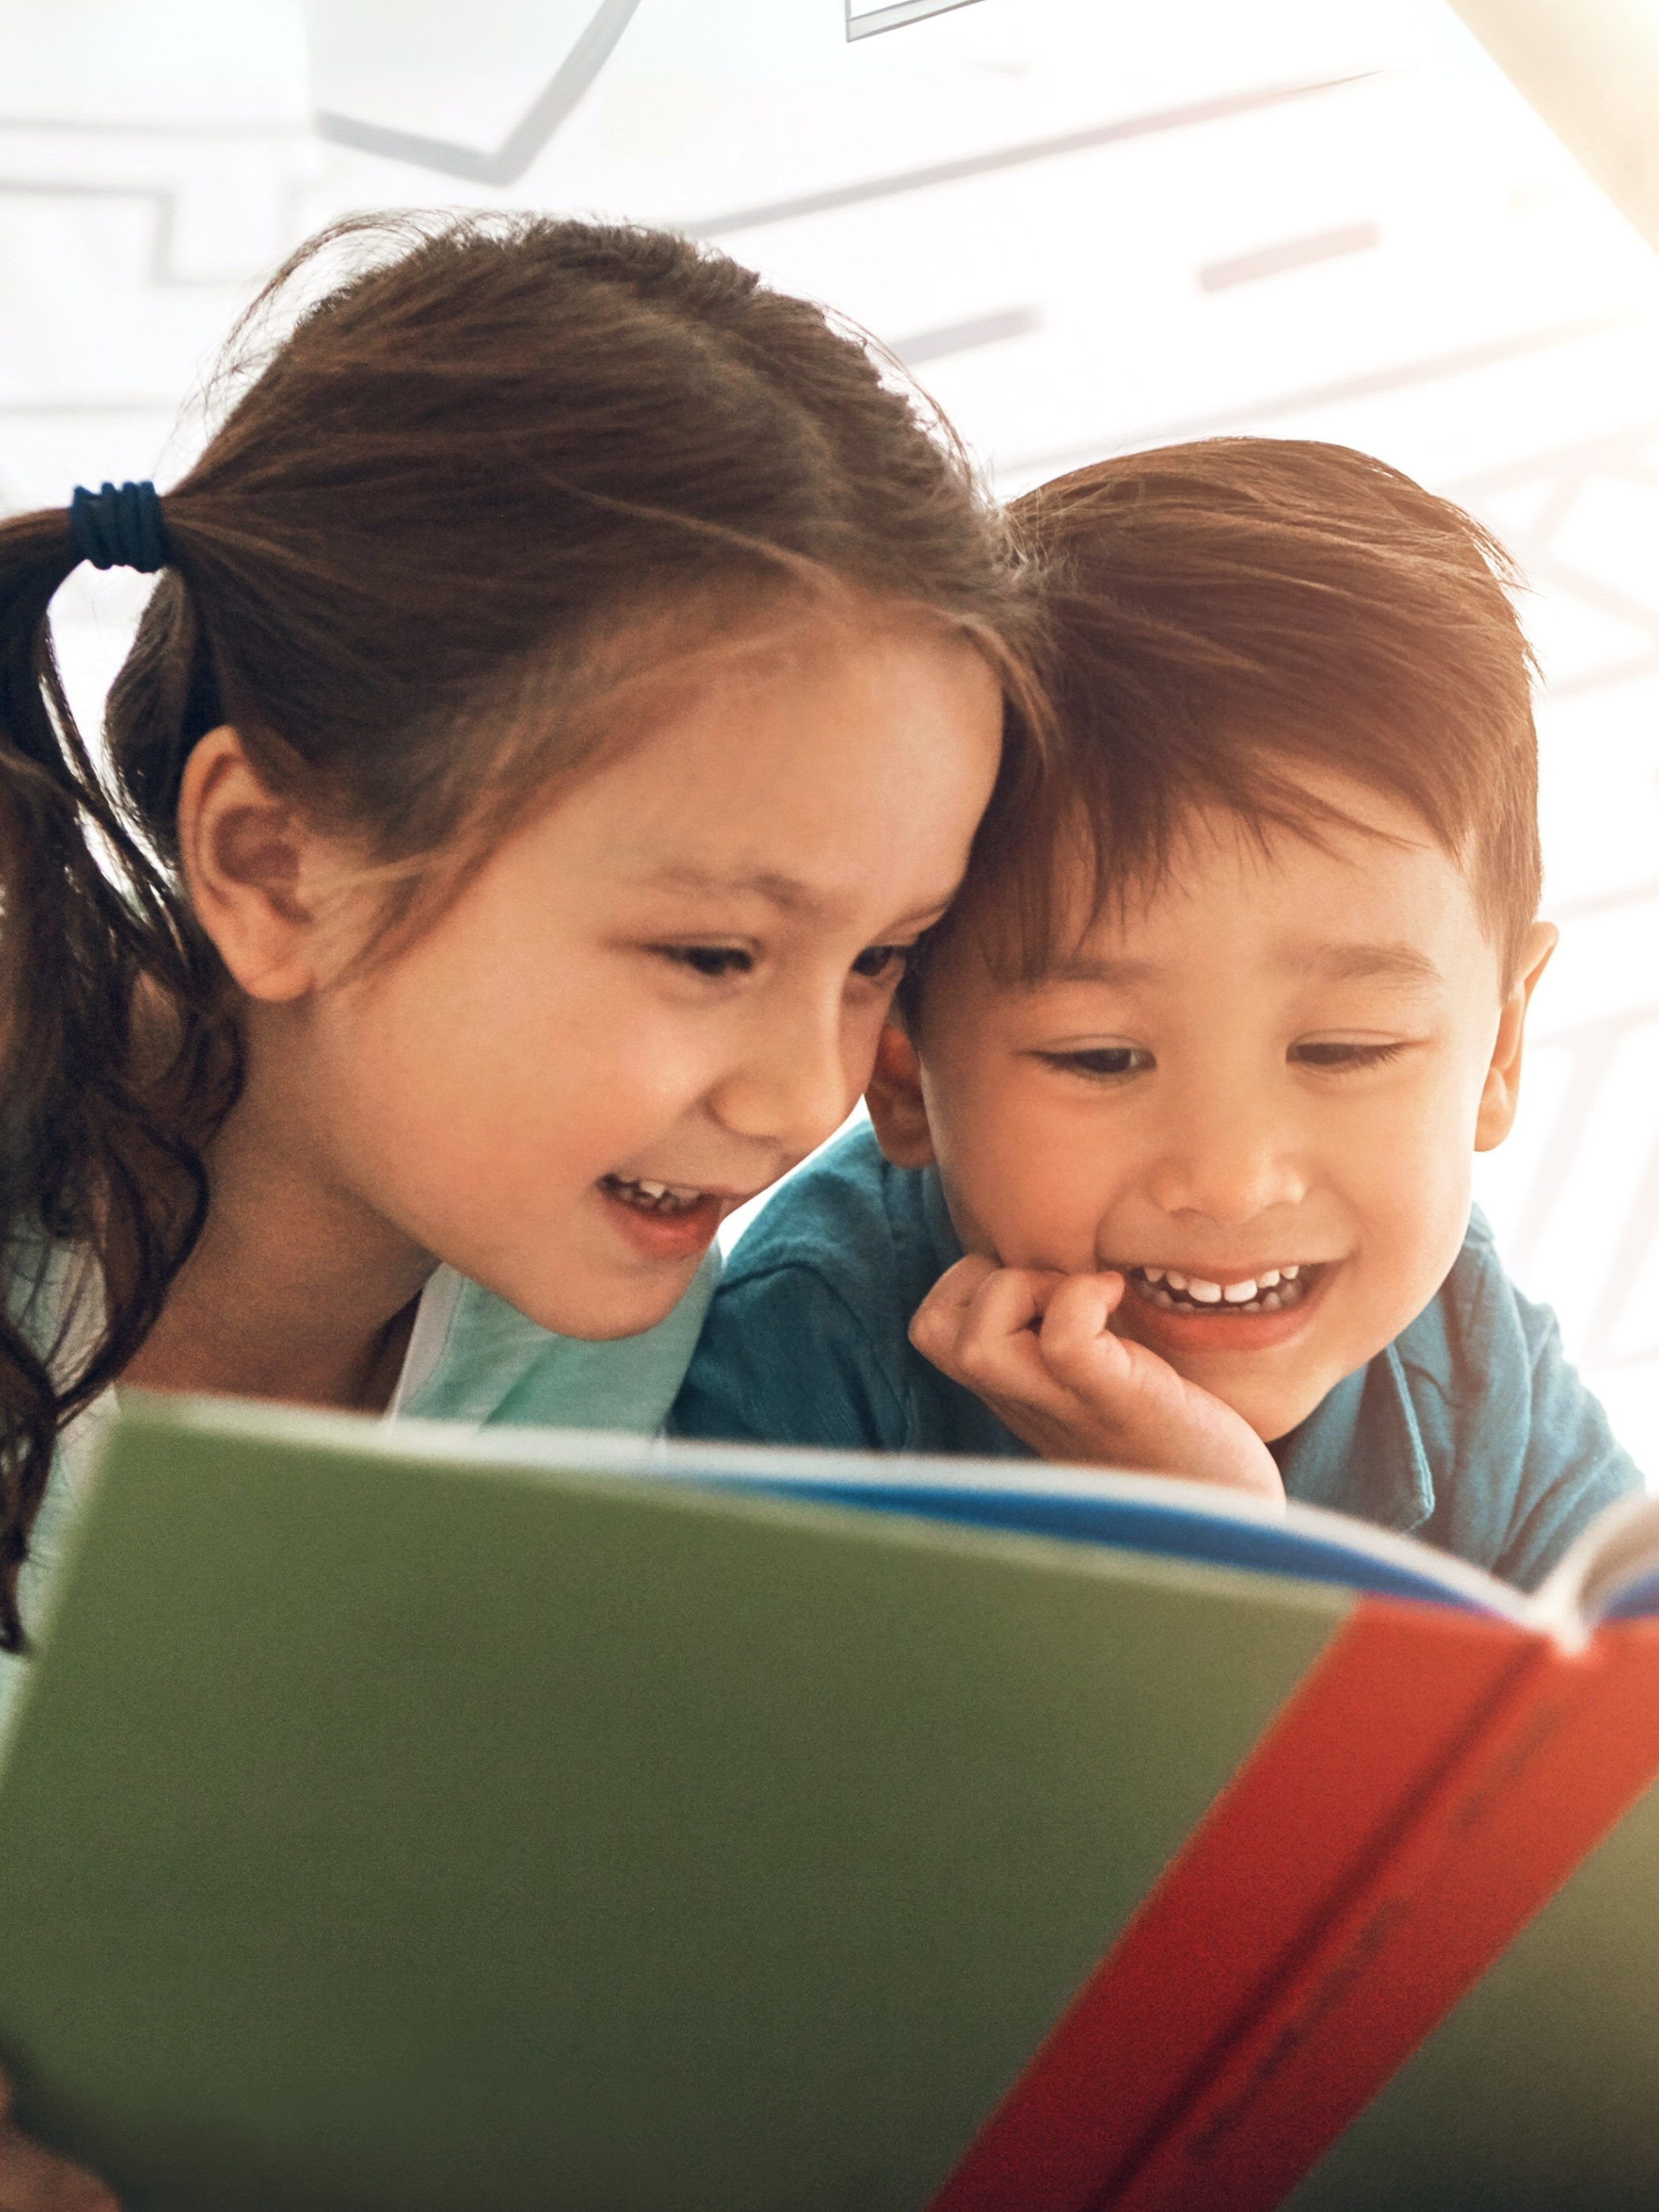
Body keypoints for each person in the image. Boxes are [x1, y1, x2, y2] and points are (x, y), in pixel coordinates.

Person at [0, 212, 1040, 2205]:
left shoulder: (597, 1319)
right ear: (276, 864)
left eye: (883, 958)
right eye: (711, 951)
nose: (809, 1092)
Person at [675, 437, 1642, 1585]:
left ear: (1501, 1050)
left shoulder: (1477, 1361)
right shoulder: (809, 1357)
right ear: (899, 1066)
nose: (1230, 1179)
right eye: (1101, 1058)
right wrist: (1200, 1546)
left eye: (1345, 1047)